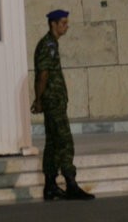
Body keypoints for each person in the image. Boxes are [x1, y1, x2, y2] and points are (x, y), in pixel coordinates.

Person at [32, 10, 95, 201]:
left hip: (53, 101)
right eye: (64, 23)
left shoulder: (51, 44)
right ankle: (71, 184)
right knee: (65, 142)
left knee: (52, 143)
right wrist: (39, 99)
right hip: (53, 102)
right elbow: (43, 74)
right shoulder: (48, 45)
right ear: (54, 24)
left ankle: (50, 185)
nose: (66, 26)